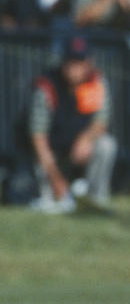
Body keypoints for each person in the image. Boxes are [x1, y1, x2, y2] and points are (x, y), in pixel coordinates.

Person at [21, 36, 117, 213]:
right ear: (62, 62)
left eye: (79, 62)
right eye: (70, 62)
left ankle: (95, 201)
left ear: (88, 63)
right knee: (46, 198)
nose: (74, 68)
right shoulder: (46, 87)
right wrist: (54, 176)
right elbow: (37, 137)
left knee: (106, 145)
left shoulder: (95, 82)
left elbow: (101, 121)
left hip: (77, 151)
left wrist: (86, 139)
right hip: (48, 154)